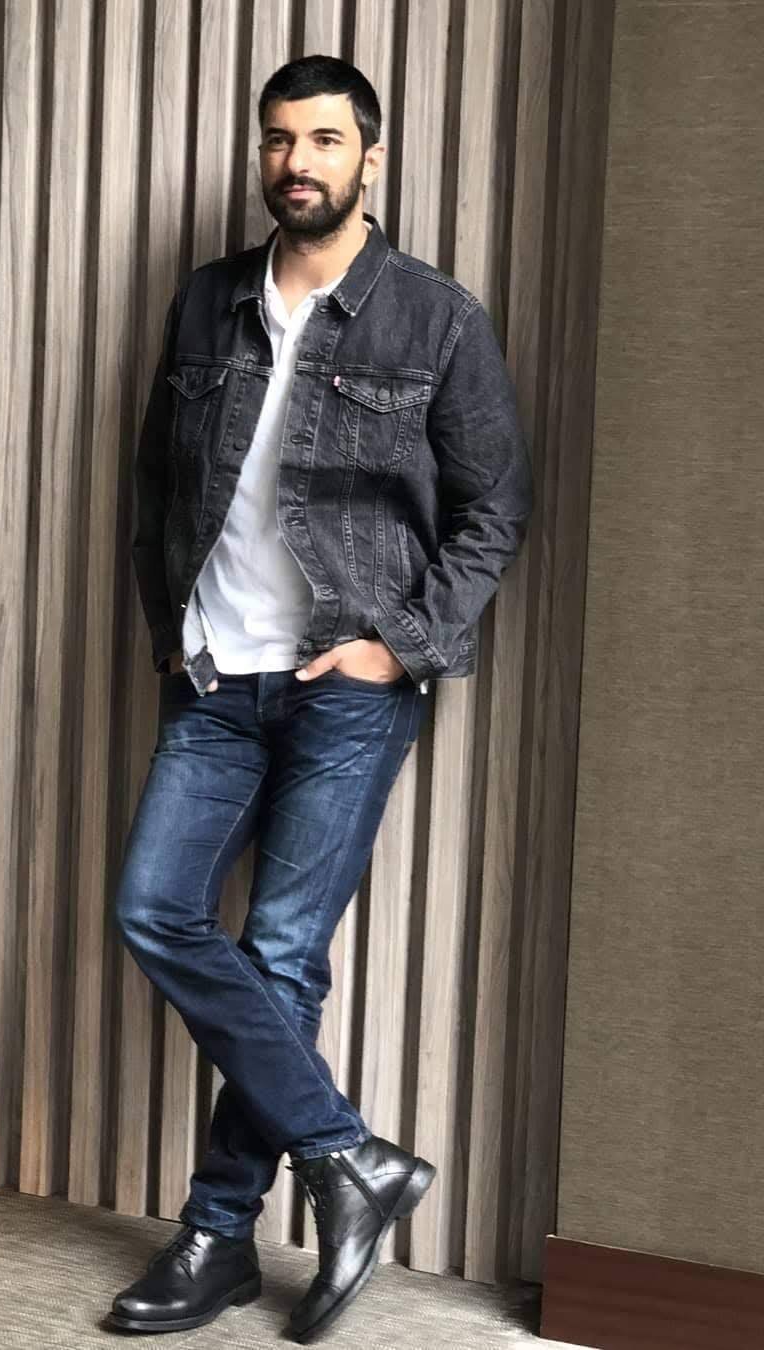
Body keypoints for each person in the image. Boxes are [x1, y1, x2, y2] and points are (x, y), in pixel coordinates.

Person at [106, 54, 533, 1344]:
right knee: (154, 909)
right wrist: (170, 629)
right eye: (280, 140)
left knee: (283, 953)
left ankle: (217, 1238)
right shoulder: (207, 300)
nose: (298, 163)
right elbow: (155, 483)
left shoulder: (436, 318)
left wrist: (399, 646)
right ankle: (348, 1157)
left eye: (326, 140)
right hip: (214, 674)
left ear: (371, 157)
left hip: (348, 683)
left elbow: (495, 509)